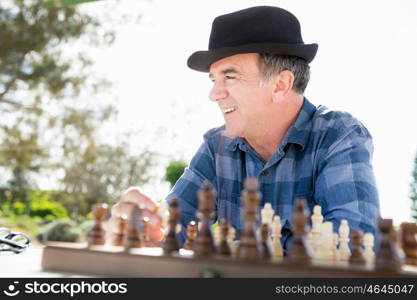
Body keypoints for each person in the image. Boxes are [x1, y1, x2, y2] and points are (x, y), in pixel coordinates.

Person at [110, 6, 380, 250]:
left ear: (280, 84)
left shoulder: (338, 135)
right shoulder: (216, 147)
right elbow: (169, 233)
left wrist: (245, 249)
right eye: (213, 79)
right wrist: (144, 230)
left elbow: (355, 244)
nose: (214, 94)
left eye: (230, 76)